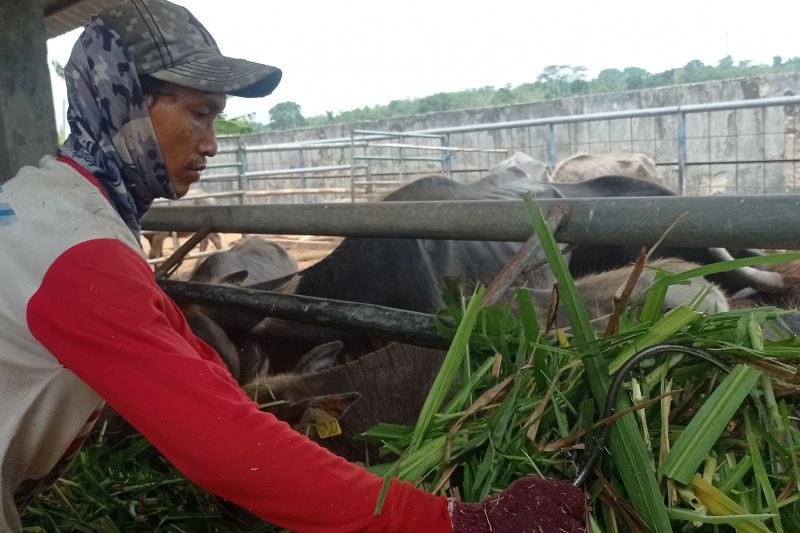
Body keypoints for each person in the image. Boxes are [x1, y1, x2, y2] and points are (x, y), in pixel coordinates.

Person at [0, 0, 587, 531]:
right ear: (122, 99)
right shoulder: (79, 256)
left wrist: (262, 410)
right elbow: (223, 446)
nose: (210, 143)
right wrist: (450, 521)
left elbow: (186, 358)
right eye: (199, 114)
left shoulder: (46, 207)